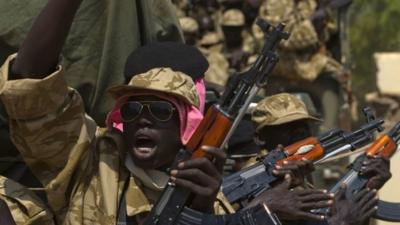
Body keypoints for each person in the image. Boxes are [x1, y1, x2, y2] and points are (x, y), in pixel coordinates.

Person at [0, 0, 233, 224]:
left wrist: (202, 212)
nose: (143, 119)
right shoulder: (93, 163)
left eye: (161, 110)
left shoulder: (209, 195)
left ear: (187, 123)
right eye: (131, 108)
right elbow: (31, 83)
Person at [249, 93, 392, 225]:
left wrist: (365, 187)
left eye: (304, 126)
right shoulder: (254, 186)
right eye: (288, 127)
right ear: (260, 138)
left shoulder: (299, 178)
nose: (300, 133)